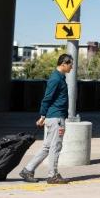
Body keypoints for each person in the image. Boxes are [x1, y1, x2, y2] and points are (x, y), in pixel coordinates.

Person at [20, 54, 73, 184]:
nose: (72, 67)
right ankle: (53, 175)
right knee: (56, 146)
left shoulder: (60, 77)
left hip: (55, 117)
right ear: (63, 64)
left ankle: (28, 169)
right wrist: (42, 115)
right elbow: (47, 98)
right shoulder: (56, 79)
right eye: (70, 64)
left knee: (47, 147)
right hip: (56, 118)